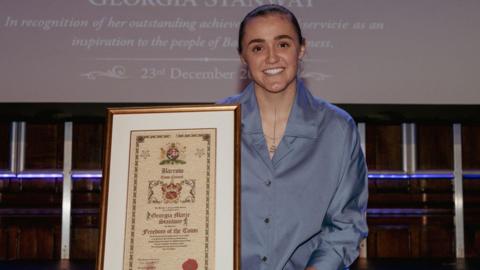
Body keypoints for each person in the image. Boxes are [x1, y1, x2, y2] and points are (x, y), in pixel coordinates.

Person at [219, 4, 368, 270]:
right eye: (257, 48)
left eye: (283, 44)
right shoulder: (214, 125)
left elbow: (346, 225)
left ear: (302, 49)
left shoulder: (337, 129)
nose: (271, 57)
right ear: (243, 57)